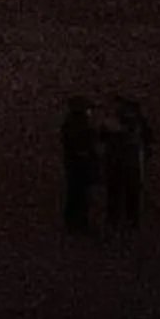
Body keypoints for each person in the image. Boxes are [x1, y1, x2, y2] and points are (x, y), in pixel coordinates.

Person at [102, 95, 153, 231]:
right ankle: (125, 220)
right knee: (124, 193)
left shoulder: (126, 123)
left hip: (125, 162)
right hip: (125, 162)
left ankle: (122, 220)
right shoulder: (132, 122)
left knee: (123, 193)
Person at [60, 96, 101, 234]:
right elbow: (80, 143)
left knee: (77, 193)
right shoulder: (76, 124)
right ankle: (77, 222)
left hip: (77, 164)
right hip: (79, 164)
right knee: (79, 194)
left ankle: (75, 221)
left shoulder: (74, 123)